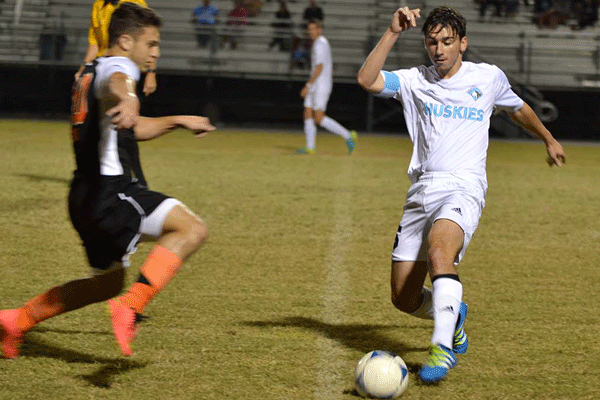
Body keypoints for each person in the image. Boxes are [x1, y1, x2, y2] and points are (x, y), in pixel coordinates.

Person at [357, 6, 565, 383]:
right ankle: (452, 314)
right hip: (422, 190)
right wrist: (392, 32)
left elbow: (517, 109)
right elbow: (368, 80)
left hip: (464, 185)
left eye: (447, 42)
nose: (439, 49)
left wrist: (548, 139)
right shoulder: (415, 80)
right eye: (432, 42)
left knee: (441, 251)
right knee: (403, 298)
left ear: (463, 43)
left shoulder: (487, 78)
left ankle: (441, 349)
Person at [0, 2, 216, 359]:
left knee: (105, 284)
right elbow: (119, 84)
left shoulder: (89, 69)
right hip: (109, 192)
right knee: (191, 229)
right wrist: (129, 97)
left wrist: (178, 119)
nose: (156, 53)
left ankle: (16, 320)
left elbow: (132, 128)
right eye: (152, 44)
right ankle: (131, 307)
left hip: (83, 196)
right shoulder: (117, 67)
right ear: (127, 41)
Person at [75, 0, 157, 98]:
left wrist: (151, 73)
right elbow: (95, 43)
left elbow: (148, 40)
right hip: (103, 67)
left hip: (127, 66)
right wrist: (84, 67)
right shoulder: (98, 5)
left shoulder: (136, 3)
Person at [297, 20, 357, 154]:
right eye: (309, 29)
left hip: (321, 85)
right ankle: (310, 147)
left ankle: (348, 135)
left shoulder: (321, 44)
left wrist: (308, 85)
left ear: (320, 30)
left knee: (318, 118)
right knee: (307, 111)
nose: (310, 32)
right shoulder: (318, 43)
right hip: (316, 84)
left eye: (313, 29)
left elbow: (319, 67)